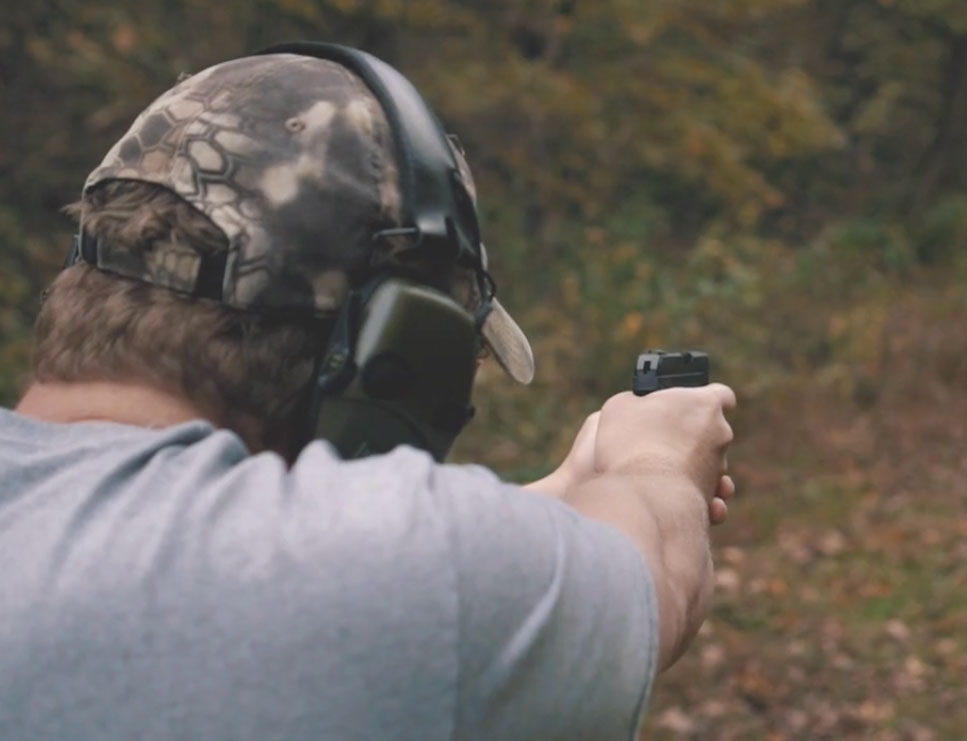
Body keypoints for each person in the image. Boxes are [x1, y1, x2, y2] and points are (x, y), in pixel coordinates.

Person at [0, 47, 736, 740]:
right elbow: (655, 582)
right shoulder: (389, 572)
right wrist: (652, 457)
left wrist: (567, 492)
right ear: (398, 353)